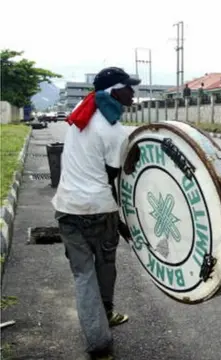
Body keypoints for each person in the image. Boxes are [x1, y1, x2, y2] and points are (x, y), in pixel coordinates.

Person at [52, 66, 141, 360]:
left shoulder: (83, 107)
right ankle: (99, 340)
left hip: (67, 208)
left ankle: (101, 324)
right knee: (101, 268)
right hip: (99, 210)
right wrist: (122, 220)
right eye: (128, 87)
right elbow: (114, 178)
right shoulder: (114, 132)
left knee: (84, 274)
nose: (133, 92)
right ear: (114, 91)